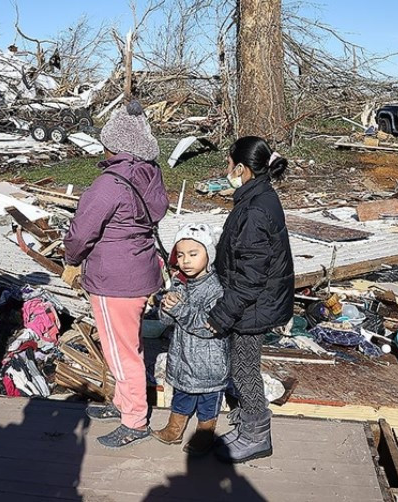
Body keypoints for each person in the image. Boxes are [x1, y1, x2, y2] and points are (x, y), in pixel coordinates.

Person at [63, 99, 169, 449]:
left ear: (114, 145)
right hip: (140, 273)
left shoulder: (109, 184)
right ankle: (124, 402)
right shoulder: (149, 175)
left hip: (114, 280)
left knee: (121, 352)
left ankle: (135, 419)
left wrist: (71, 259)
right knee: (131, 345)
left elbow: (81, 232)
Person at [207, 136, 294, 463]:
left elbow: (250, 277)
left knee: (244, 370)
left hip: (254, 307)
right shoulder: (258, 197)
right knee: (242, 366)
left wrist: (221, 315)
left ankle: (257, 435)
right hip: (257, 303)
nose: (226, 169)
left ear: (242, 169)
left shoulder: (256, 209)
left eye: (229, 164)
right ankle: (248, 425)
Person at [153, 223, 228, 457]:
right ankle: (174, 429)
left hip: (209, 362)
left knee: (208, 401)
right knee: (182, 393)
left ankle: (204, 435)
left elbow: (209, 326)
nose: (186, 260)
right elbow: (166, 321)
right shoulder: (179, 282)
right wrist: (166, 306)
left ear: (209, 255)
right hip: (184, 356)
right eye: (181, 254)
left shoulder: (216, 289)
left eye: (193, 254)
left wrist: (180, 309)